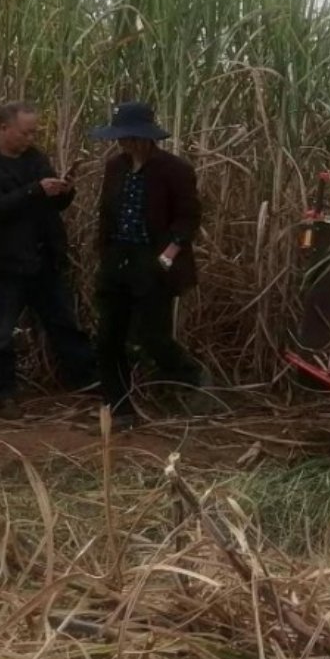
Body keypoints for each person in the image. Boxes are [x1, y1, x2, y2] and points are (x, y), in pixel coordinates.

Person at [0, 101, 95, 410]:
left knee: (65, 325)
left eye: (33, 133)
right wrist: (35, 190)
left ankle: (88, 381)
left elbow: (54, 205)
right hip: (8, 263)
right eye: (25, 133)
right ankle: (1, 393)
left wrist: (64, 190)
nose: (30, 139)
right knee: (2, 333)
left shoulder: (36, 159)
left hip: (44, 259)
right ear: (3, 128)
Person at [91, 101, 202, 427]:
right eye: (122, 137)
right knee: (108, 336)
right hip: (118, 257)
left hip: (153, 259)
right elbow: (106, 213)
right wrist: (105, 254)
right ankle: (119, 408)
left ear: (146, 137)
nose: (125, 142)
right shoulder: (116, 167)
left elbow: (188, 217)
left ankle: (191, 378)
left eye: (131, 136)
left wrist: (168, 255)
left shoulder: (175, 170)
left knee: (153, 336)